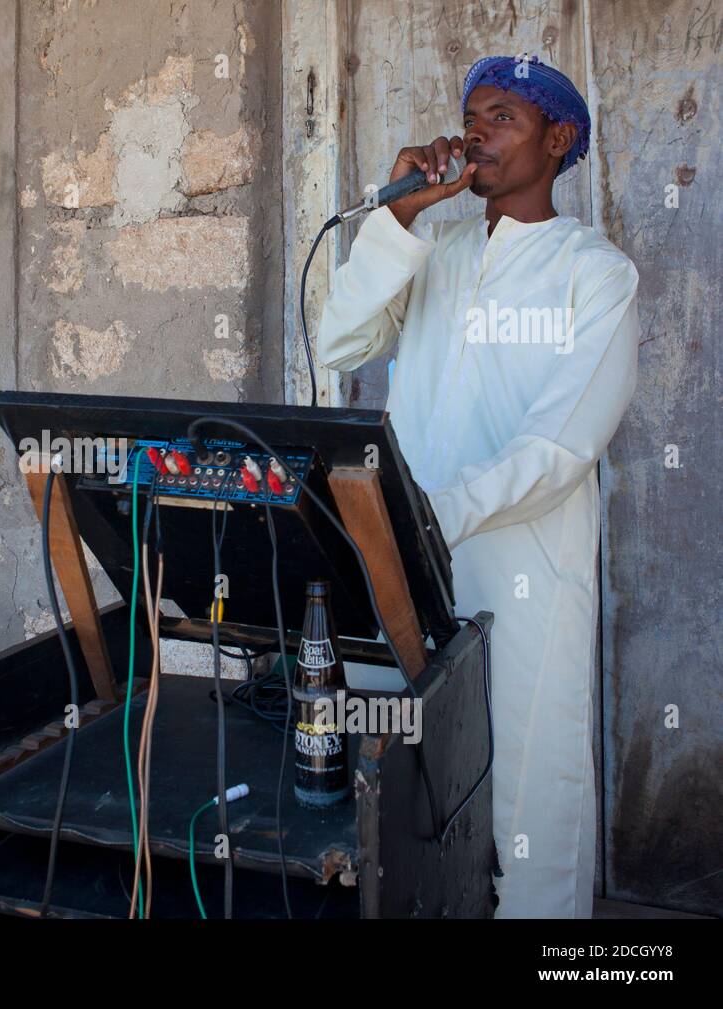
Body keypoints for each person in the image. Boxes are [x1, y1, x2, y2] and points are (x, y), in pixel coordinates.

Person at [317, 55, 639, 917]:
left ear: (559, 138)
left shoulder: (595, 274)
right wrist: (398, 216)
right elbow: (338, 344)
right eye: (471, 115)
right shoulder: (436, 252)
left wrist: (424, 518)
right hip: (411, 578)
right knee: (406, 796)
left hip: (524, 582)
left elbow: (558, 448)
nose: (476, 132)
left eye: (504, 116)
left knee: (529, 802)